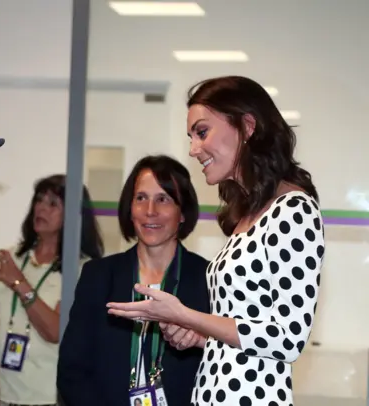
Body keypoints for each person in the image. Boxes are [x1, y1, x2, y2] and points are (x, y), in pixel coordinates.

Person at [106, 76, 326, 406]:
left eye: (202, 132)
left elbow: (287, 339)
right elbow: (248, 332)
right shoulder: (249, 214)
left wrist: (185, 315)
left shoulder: (294, 210)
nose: (194, 149)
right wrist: (201, 338)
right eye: (191, 137)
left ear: (247, 126)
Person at [58, 155, 209, 406]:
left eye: (163, 199)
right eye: (141, 198)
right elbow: (72, 370)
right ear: (130, 208)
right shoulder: (98, 276)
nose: (150, 211)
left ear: (183, 212)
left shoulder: (207, 279)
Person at [0, 174, 104, 406]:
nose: (41, 208)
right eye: (39, 200)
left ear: (73, 215)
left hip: (47, 399)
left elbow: (55, 330)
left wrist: (19, 283)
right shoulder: (11, 259)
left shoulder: (82, 270)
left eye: (53, 204)